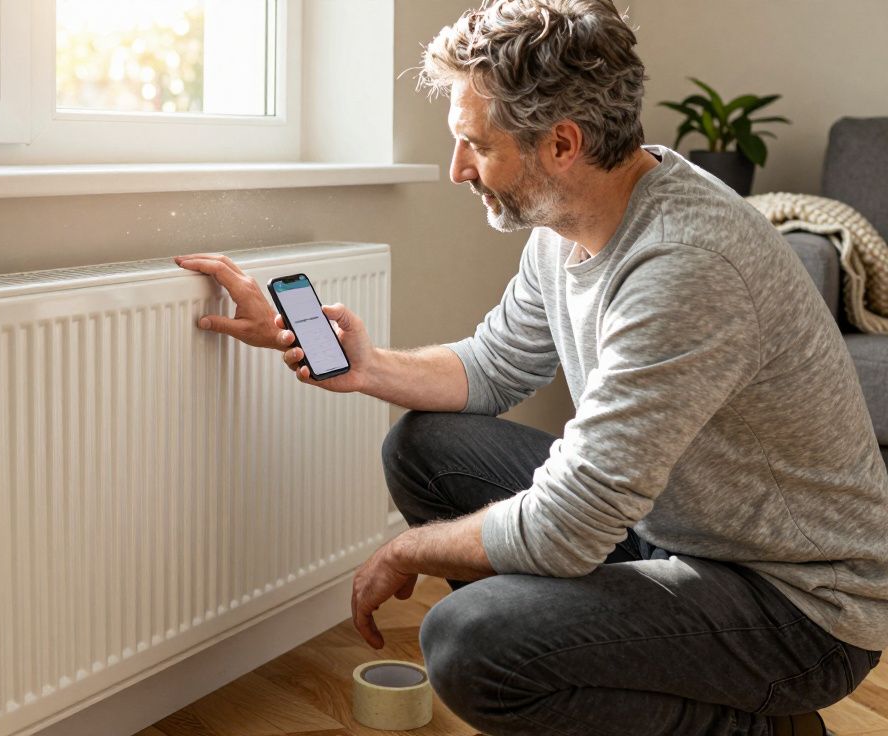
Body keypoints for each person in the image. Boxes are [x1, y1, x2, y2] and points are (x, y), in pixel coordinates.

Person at [175, 0, 888, 733]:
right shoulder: (566, 224)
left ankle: (764, 726)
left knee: (471, 642)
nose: (456, 170)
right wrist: (362, 365)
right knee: (426, 450)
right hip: (676, 530)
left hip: (796, 605)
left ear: (561, 144)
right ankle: (603, 655)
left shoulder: (685, 266)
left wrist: (406, 547)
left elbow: (568, 526)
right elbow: (492, 366)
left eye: (475, 146)